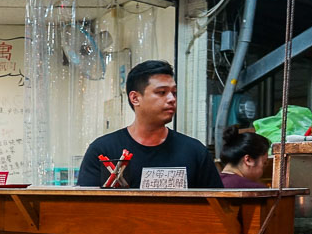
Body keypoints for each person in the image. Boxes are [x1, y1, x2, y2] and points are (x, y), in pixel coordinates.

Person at [76, 60, 223, 188]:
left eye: (174, 92)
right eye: (161, 92)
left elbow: (218, 208)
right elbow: (85, 209)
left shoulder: (195, 152)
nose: (172, 99)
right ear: (135, 98)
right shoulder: (103, 150)